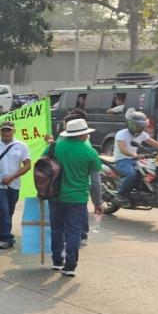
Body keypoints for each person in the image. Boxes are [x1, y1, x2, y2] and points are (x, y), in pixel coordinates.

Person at [47, 118, 103, 277]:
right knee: (74, 232)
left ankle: (57, 261)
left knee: (57, 229)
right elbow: (96, 183)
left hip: (55, 196)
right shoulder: (90, 153)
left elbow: (42, 166)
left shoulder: (54, 147)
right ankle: (70, 266)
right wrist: (97, 203)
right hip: (78, 199)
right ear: (83, 135)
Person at [0, 121, 32, 249]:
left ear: (14, 131)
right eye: (3, 130)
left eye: (8, 130)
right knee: (3, 210)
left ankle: (2, 231)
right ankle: (7, 238)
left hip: (14, 184)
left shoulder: (21, 146)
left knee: (9, 211)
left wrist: (12, 177)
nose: (6, 132)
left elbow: (28, 165)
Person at [113, 110, 158, 198]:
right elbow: (123, 150)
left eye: (141, 125)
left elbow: (155, 144)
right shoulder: (122, 134)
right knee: (131, 174)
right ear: (130, 124)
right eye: (137, 125)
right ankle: (120, 195)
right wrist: (135, 155)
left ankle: (145, 191)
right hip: (122, 160)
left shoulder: (142, 134)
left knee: (151, 171)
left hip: (135, 160)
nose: (139, 128)